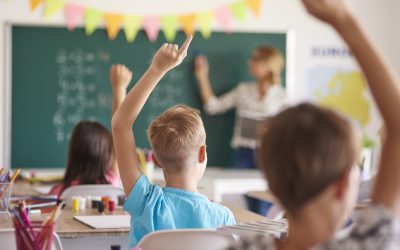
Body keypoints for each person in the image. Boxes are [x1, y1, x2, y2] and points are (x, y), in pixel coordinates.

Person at [227, 0, 400, 249]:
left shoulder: (243, 247)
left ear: (272, 185)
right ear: (343, 184)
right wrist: (346, 21)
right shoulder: (368, 244)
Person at [112, 36, 236, 248]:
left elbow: (120, 125)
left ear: (157, 161)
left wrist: (157, 69)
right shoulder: (223, 219)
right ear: (202, 153)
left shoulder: (146, 202)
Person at [194, 46, 287, 169]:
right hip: (244, 154)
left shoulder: (283, 96)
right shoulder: (243, 90)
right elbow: (212, 106)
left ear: (268, 64)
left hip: (271, 152)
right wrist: (202, 77)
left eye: (256, 58)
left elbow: (289, 130)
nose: (250, 62)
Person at [49, 64, 133, 196]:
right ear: (107, 155)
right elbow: (119, 136)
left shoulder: (59, 192)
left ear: (73, 153)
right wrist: (119, 88)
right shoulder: (113, 183)